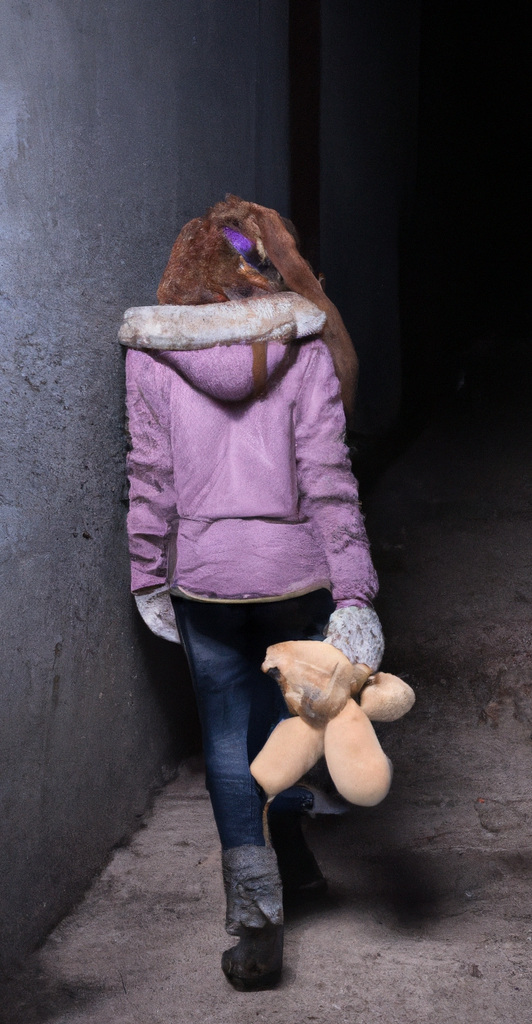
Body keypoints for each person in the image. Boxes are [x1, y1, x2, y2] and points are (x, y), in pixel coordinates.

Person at [124, 197, 381, 989]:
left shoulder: (151, 356)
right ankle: (297, 866)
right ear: (267, 265)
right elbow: (329, 479)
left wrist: (147, 572)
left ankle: (258, 918)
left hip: (206, 576)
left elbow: (151, 480)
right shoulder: (302, 348)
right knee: (294, 718)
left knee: (231, 741)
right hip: (296, 571)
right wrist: (355, 588)